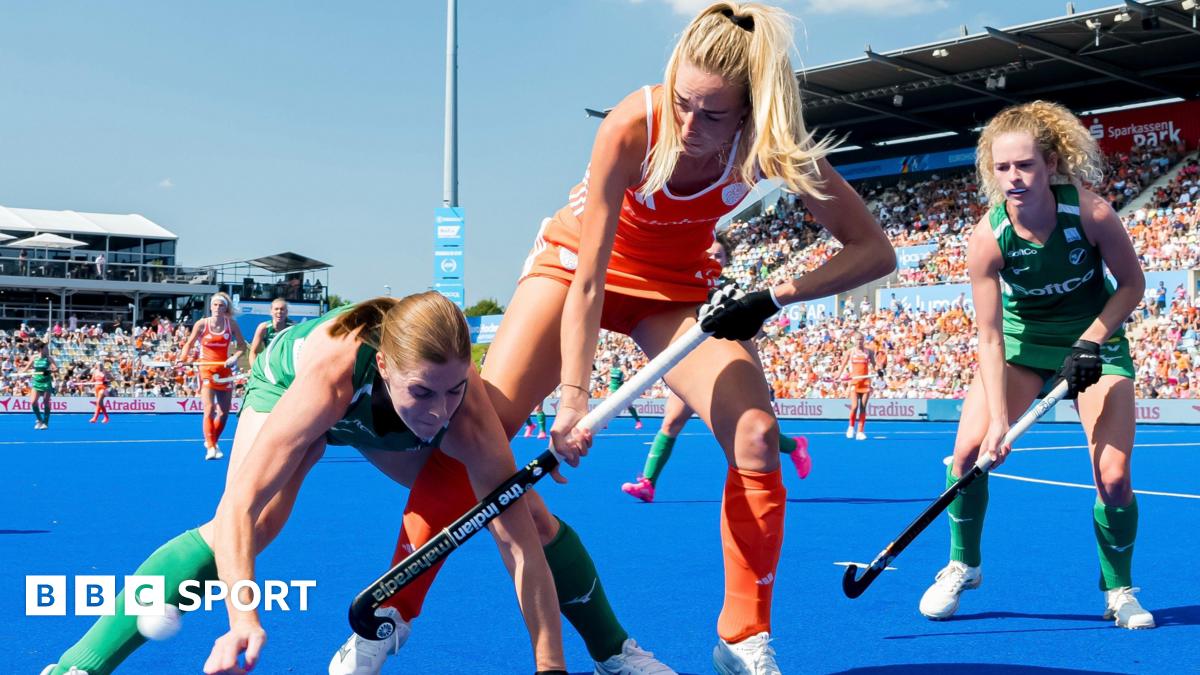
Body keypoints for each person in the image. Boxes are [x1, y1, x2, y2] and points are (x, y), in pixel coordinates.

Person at [343, 4, 894, 673]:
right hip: (576, 266)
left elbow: (873, 250)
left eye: (714, 114)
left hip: (676, 292)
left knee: (754, 433)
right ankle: (390, 614)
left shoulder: (769, 146)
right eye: (684, 102)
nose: (690, 126)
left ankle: (742, 636)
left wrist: (774, 296)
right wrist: (573, 396)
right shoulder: (635, 123)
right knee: (482, 425)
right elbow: (590, 276)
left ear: (752, 108)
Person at [42, 293, 569, 674]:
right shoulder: (331, 375)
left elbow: (519, 549)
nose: (441, 412)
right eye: (424, 393)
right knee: (260, 522)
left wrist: (549, 667)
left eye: (455, 389)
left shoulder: (464, 412)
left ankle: (613, 650)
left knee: (527, 516)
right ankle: (75, 667)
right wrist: (242, 618)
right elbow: (239, 507)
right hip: (286, 383)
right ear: (385, 366)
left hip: (373, 406)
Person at [917, 101, 1154, 630]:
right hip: (1024, 346)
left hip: (1096, 344)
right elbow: (990, 334)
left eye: (1025, 165)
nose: (1014, 178)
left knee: (1113, 476)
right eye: (1002, 168)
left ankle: (1119, 590)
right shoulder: (987, 238)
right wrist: (1000, 422)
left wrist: (1092, 339)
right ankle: (963, 564)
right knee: (969, 455)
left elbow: (1133, 285)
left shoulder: (1090, 214)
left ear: (1049, 163)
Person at [620, 235, 812, 504]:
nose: (713, 258)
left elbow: (752, 328)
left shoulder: (732, 290)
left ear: (727, 261)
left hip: (722, 366)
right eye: (708, 253)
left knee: (747, 429)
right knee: (671, 422)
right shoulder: (688, 284)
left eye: (719, 255)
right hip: (691, 365)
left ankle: (792, 448)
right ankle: (648, 483)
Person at [179, 293, 248, 460]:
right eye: (215, 305)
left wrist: (234, 357)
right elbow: (189, 343)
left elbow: (242, 346)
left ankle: (213, 441)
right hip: (206, 369)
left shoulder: (231, 324)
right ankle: (210, 446)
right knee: (209, 408)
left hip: (224, 370)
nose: (217, 308)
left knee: (224, 412)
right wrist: (183, 359)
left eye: (221, 305)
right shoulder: (202, 324)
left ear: (226, 308)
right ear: (210, 307)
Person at [836, 333, 876, 441]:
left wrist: (879, 371)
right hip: (854, 382)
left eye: (861, 339)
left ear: (864, 340)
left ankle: (860, 432)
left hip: (865, 382)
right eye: (858, 339)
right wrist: (838, 375)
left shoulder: (869, 352)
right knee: (854, 406)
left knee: (863, 407)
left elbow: (874, 365)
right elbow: (843, 364)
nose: (859, 341)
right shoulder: (850, 352)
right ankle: (851, 427)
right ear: (855, 340)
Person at [248, 298, 293, 366]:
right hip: (268, 365)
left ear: (286, 312)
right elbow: (253, 352)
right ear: (271, 312)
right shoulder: (263, 327)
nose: (279, 312)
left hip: (287, 365)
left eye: (282, 309)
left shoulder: (293, 327)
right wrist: (254, 369)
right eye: (276, 309)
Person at [27, 339, 56, 430]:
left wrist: (49, 371)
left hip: (46, 382)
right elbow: (26, 368)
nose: (47, 350)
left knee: (45, 402)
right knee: (33, 402)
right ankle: (40, 420)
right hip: (37, 382)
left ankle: (46, 423)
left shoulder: (49, 358)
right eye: (46, 348)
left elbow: (56, 368)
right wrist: (21, 372)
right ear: (41, 349)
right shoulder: (34, 357)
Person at [607, 362, 644, 429]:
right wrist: (596, 376)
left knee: (629, 405)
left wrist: (624, 379)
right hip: (612, 389)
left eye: (611, 360)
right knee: (606, 405)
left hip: (620, 388)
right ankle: (605, 423)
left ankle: (638, 421)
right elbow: (605, 372)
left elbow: (627, 376)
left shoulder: (622, 367)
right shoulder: (610, 367)